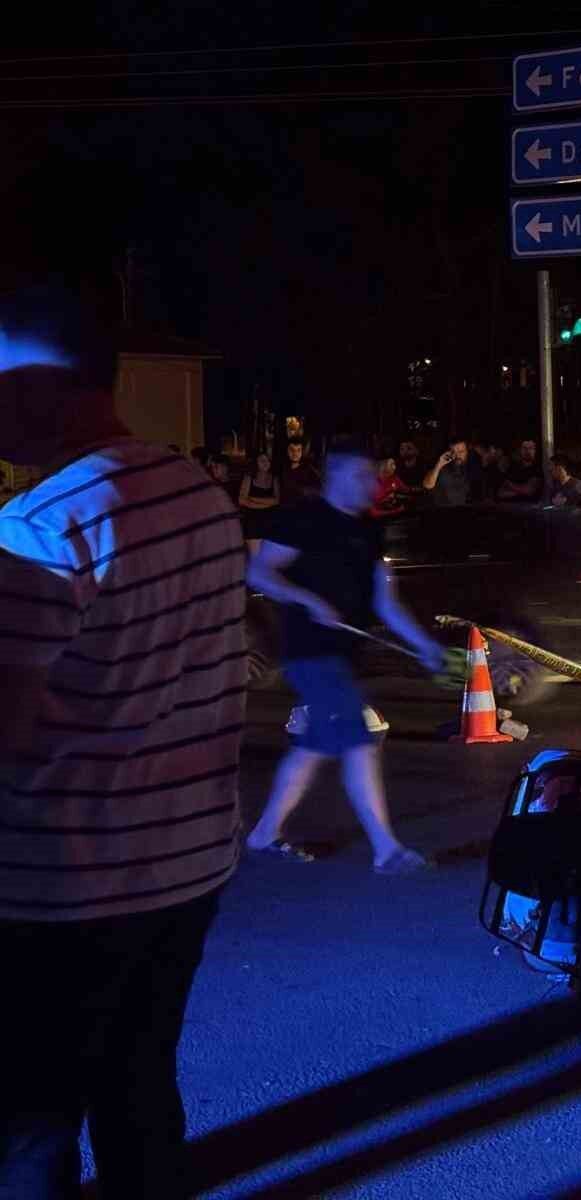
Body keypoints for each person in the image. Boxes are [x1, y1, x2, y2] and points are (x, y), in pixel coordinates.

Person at [1, 269, 248, 1195]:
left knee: (32, 1121)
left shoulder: (39, 526)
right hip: (185, 868)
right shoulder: (202, 497)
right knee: (141, 1086)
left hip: (62, 890)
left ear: (39, 386)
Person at [244, 437, 445, 873]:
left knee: (312, 748)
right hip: (309, 653)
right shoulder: (304, 519)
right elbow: (259, 570)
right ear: (335, 475)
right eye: (360, 476)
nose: (370, 485)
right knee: (359, 741)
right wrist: (308, 600)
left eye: (371, 477)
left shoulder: (368, 530)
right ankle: (386, 849)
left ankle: (263, 833)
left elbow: (385, 601)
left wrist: (424, 644)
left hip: (342, 655)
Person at [238, 447, 281, 551]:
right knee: (255, 557)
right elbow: (242, 500)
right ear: (256, 462)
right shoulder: (249, 477)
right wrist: (266, 504)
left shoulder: (274, 478)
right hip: (253, 520)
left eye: (267, 460)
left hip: (270, 520)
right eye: (262, 460)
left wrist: (252, 499)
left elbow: (276, 500)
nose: (265, 463)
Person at [422, 436, 473, 507]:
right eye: (453, 452)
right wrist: (439, 464)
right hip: (442, 512)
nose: (457, 455)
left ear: (467, 452)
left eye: (461, 452)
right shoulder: (441, 467)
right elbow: (427, 485)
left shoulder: (471, 468)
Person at [279, 437, 322, 506]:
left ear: (302, 452)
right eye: (292, 449)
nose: (295, 453)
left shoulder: (308, 469)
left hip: (302, 509)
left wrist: (300, 489)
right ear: (287, 450)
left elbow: (319, 489)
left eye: (298, 450)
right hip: (284, 509)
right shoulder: (283, 467)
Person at [499, 438, 542, 502]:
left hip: (529, 509)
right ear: (520, 450)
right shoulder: (513, 468)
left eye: (530, 448)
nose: (527, 451)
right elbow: (501, 493)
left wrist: (509, 485)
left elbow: (529, 491)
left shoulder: (537, 469)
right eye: (524, 448)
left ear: (535, 451)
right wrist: (521, 491)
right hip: (510, 508)